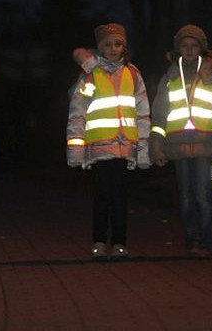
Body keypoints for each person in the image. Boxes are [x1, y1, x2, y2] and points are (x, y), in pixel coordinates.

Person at [66, 23, 151, 260]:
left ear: (124, 46)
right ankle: (99, 241)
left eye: (118, 44)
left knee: (120, 198)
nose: (113, 49)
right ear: (100, 48)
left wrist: (143, 150)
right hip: (100, 149)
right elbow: (77, 113)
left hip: (125, 149)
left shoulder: (133, 74)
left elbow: (143, 113)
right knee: (103, 196)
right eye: (108, 44)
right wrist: (76, 150)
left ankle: (120, 243)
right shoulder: (91, 76)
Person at [149, 24, 212, 258]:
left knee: (203, 195)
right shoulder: (169, 77)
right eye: (184, 45)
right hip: (177, 145)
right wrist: (157, 146)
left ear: (201, 48)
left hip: (206, 143)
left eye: (193, 45)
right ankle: (192, 241)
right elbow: (160, 113)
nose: (188, 49)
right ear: (178, 49)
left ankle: (206, 242)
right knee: (186, 196)